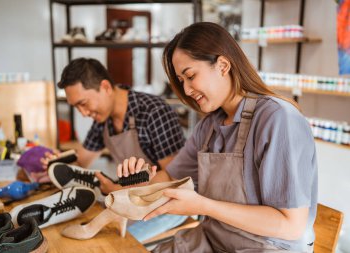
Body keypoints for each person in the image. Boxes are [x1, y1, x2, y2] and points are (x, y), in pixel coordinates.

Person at [117, 22, 318, 252]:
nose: (187, 90)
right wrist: (143, 183)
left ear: (223, 65)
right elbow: (170, 177)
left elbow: (290, 225)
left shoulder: (278, 119)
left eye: (190, 75)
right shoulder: (209, 127)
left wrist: (203, 205)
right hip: (215, 240)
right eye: (181, 81)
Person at [42, 57, 187, 242]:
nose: (84, 113)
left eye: (83, 103)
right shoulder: (103, 120)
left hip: (170, 203)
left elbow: (175, 177)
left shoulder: (154, 112)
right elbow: (80, 162)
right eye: (76, 107)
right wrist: (55, 163)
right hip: (131, 197)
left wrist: (119, 189)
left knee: (111, 243)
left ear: (105, 87)